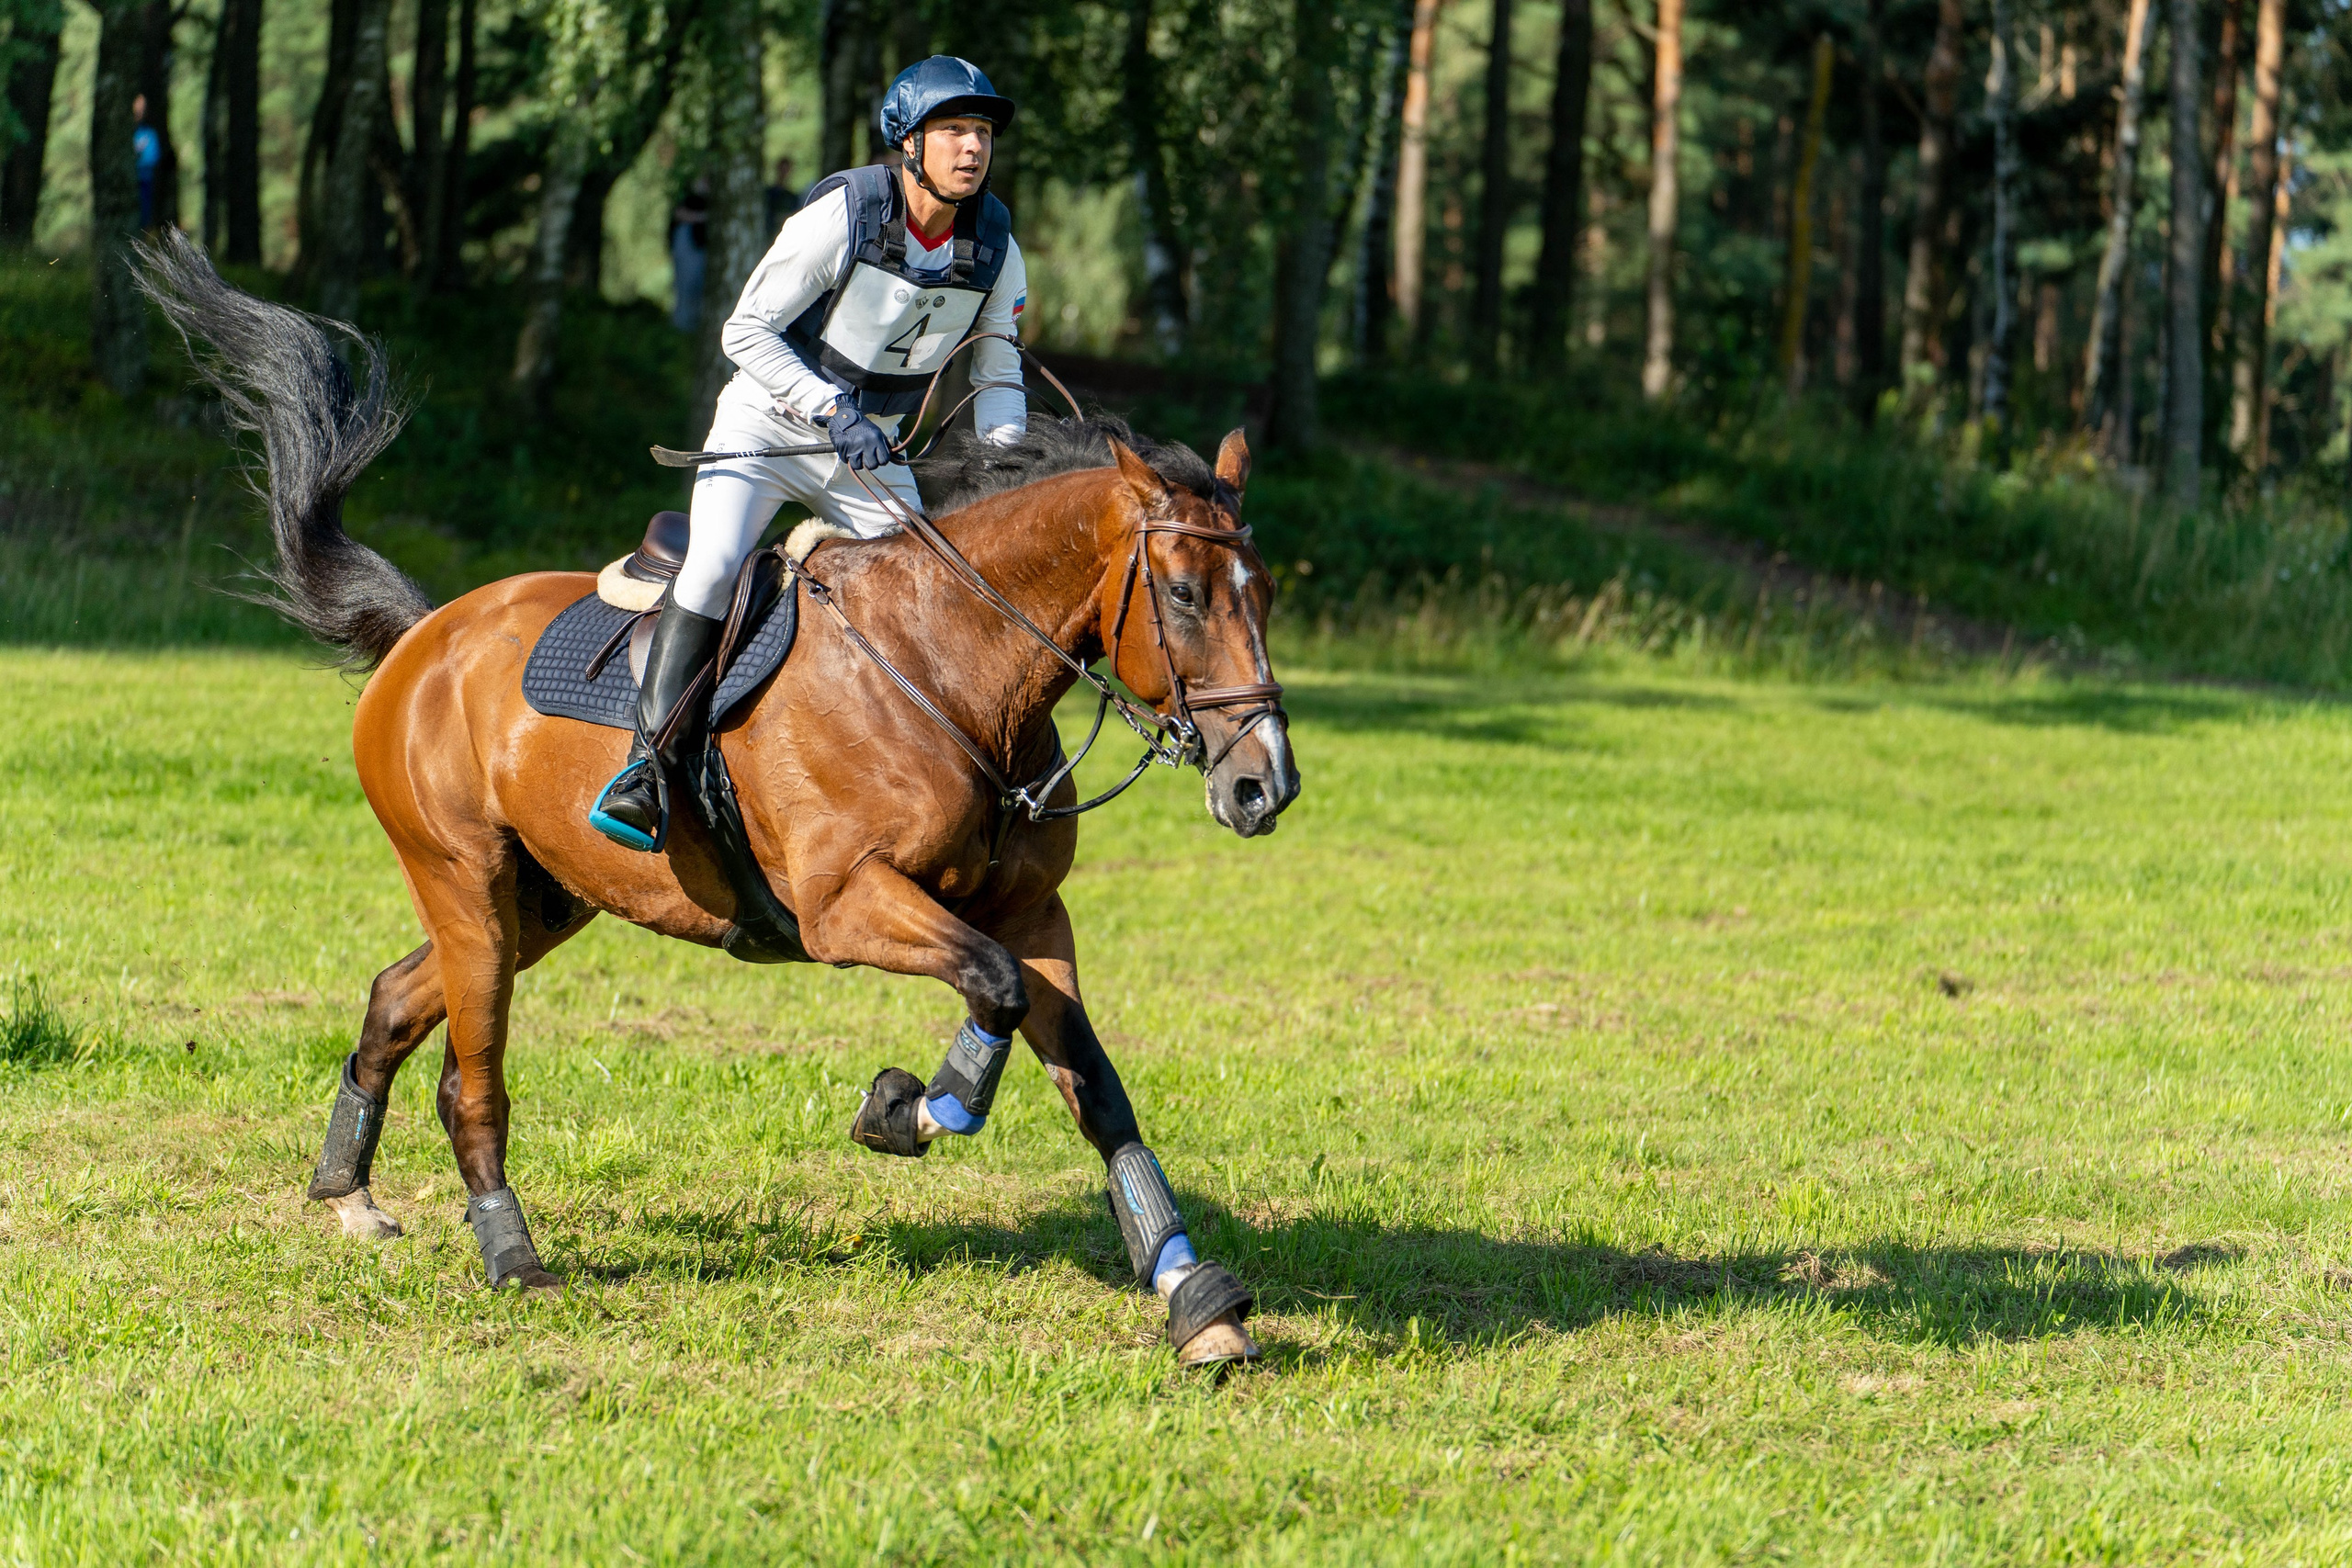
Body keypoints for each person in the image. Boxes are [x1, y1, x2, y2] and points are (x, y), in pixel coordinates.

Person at [590, 56, 1031, 852]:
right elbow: (743, 331)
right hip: (768, 429)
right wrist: (831, 408)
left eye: (983, 133)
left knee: (934, 599)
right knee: (718, 563)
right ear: (908, 139)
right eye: (955, 130)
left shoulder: (997, 246)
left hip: (871, 455)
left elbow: (999, 370)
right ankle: (646, 769)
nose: (973, 147)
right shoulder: (845, 213)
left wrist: (1006, 468)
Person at [669, 178, 710, 333]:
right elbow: (679, 214)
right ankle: (682, 329)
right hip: (690, 250)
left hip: (700, 250)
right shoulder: (687, 197)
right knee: (685, 290)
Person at [132, 96, 161, 231]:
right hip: (129, 183)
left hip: (144, 182)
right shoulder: (127, 133)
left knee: (144, 218)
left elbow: (153, 158)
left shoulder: (149, 134)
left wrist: (137, 156)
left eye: (142, 109)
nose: (139, 112)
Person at [763, 155, 800, 238]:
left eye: (786, 170)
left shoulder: (793, 197)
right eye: (782, 169)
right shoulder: (768, 193)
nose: (784, 173)